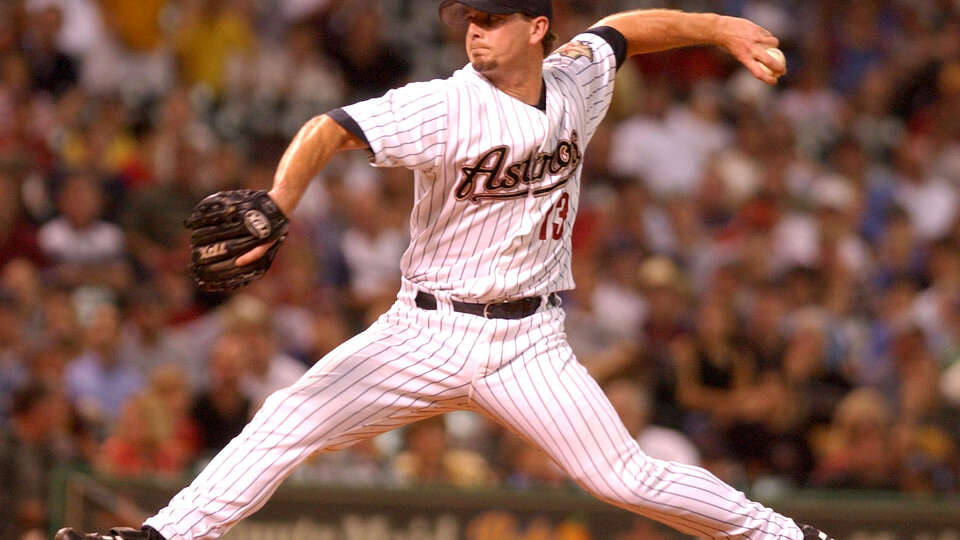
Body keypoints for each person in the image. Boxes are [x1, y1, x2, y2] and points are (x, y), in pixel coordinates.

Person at [58, 2, 834, 539]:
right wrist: (276, 202)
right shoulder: (447, 104)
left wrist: (717, 28)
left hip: (530, 340)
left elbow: (623, 30)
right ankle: (159, 535)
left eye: (492, 19)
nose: (474, 31)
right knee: (287, 418)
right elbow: (328, 128)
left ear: (536, 30)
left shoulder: (575, 81)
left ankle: (786, 532)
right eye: (467, 17)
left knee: (624, 479)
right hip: (423, 329)